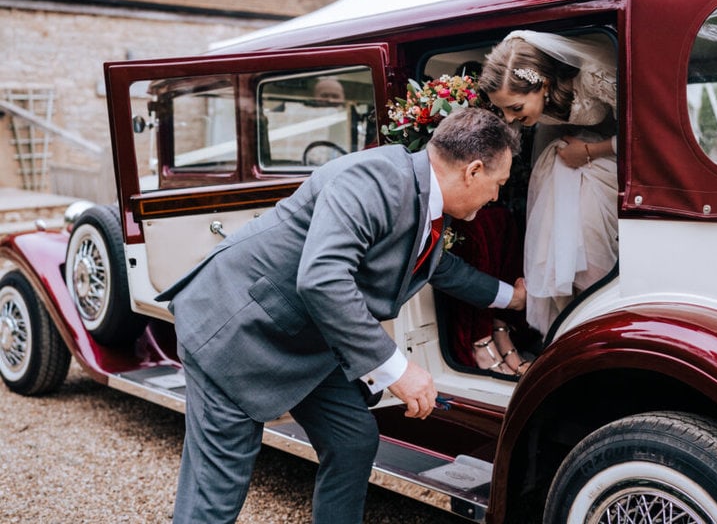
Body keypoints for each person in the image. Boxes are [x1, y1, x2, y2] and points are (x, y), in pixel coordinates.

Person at [155, 107, 525, 524]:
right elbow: (323, 279)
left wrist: (511, 298)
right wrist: (396, 367)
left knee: (352, 439)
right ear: (473, 171)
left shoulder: (424, 197)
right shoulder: (375, 179)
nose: (496, 196)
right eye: (499, 184)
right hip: (238, 329)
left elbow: (437, 266)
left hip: (306, 337)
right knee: (216, 493)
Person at [479, 30, 619, 343]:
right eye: (502, 111)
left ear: (542, 84)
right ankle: (570, 333)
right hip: (566, 161)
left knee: (590, 257)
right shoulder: (539, 107)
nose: (510, 118)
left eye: (515, 108)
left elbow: (646, 132)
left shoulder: (595, 74)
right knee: (557, 254)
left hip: (611, 156)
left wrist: (588, 152)